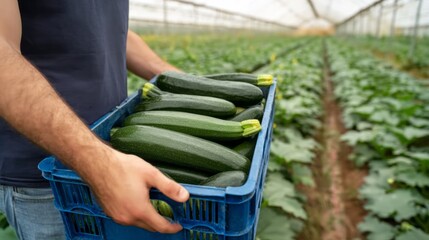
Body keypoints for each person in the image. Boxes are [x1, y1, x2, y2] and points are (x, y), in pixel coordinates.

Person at [0, 0, 190, 239]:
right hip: (51, 181)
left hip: (120, 158)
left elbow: (109, 30)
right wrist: (99, 166)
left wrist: (183, 82)